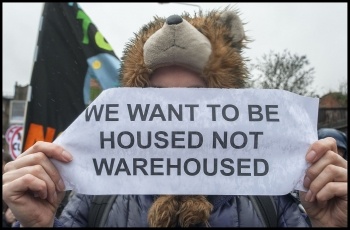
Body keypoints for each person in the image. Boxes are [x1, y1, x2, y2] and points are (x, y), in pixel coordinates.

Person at [2, 7, 347, 227]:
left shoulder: (271, 195)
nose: (178, 117)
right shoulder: (97, 192)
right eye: (156, 101)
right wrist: (36, 225)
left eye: (199, 100)